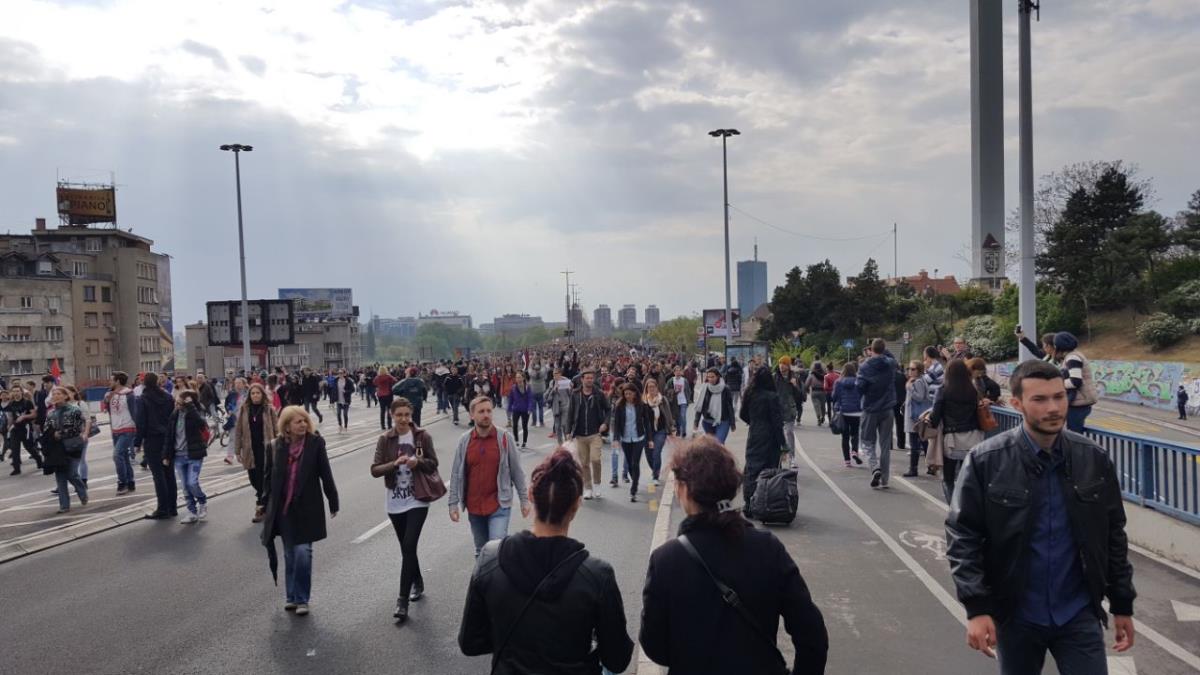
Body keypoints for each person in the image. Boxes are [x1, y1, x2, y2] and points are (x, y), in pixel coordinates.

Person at [945, 359, 1136, 674]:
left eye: (1059, 397)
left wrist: (1122, 604)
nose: (1054, 408)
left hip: (1078, 614)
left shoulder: (1093, 458)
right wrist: (977, 608)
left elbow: (1113, 534)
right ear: (1017, 403)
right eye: (1040, 399)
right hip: (1016, 615)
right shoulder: (986, 461)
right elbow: (962, 536)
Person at [639, 436, 828, 674]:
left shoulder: (666, 560)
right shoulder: (768, 549)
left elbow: (655, 646)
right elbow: (812, 634)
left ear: (685, 489)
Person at [458, 449, 634, 674]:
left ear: (531, 495)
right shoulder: (597, 575)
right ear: (577, 504)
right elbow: (617, 659)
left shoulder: (490, 559)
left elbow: (470, 643)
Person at [261, 405, 340, 616]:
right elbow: (268, 479)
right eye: (298, 421)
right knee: (289, 554)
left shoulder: (315, 444)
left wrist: (333, 500)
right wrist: (263, 503)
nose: (303, 424)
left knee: (303, 552)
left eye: (305, 420)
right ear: (286, 426)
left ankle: (302, 598)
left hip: (307, 507)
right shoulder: (275, 446)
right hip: (283, 509)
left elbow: (326, 473)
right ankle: (291, 597)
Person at [371, 398, 440, 622]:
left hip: (417, 497)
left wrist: (417, 463)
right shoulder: (385, 439)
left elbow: (433, 463)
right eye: (399, 415)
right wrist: (395, 463)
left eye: (406, 415)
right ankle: (418, 581)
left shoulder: (422, 436)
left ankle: (402, 601)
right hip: (395, 501)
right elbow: (375, 470)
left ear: (411, 415)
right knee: (406, 548)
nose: (403, 419)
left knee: (409, 544)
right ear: (392, 415)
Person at [448, 396, 530, 557]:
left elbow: (517, 472)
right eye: (481, 411)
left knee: (496, 551)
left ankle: (499, 582)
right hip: (474, 506)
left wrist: (524, 500)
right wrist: (453, 503)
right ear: (472, 415)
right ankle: (482, 582)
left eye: (489, 411)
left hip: (499, 504)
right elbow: (456, 473)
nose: (486, 415)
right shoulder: (465, 441)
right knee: (481, 552)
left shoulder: (505, 438)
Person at [929, 360, 982, 505]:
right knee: (967, 476)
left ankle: (954, 507)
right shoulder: (972, 390)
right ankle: (967, 505)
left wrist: (930, 421)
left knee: (948, 478)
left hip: (952, 438)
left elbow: (935, 416)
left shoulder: (943, 389)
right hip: (973, 437)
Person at [740, 365, 788, 518]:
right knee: (769, 469)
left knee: (751, 469)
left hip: (754, 434)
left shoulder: (749, 393)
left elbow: (742, 414)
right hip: (770, 437)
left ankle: (748, 503)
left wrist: (753, 422)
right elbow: (777, 422)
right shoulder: (772, 396)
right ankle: (765, 502)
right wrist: (783, 445)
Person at [135, 373, 178, 519]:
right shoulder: (167, 397)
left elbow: (141, 421)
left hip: (152, 438)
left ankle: (162, 508)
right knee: (169, 473)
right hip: (168, 437)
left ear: (145, 383)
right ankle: (172, 507)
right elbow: (174, 417)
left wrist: (137, 442)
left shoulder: (144, 398)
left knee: (158, 475)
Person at [40, 386, 88, 513]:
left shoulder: (74, 410)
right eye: (53, 394)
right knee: (60, 477)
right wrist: (52, 435)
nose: (55, 396)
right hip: (58, 449)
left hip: (73, 446)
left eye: (58, 394)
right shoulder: (51, 413)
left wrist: (59, 433)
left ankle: (82, 492)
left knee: (72, 474)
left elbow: (77, 428)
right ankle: (64, 505)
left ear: (65, 396)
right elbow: (45, 430)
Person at [856, 338, 897, 489]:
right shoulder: (890, 364)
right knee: (885, 444)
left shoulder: (864, 366)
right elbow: (892, 358)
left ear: (871, 350)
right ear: (884, 349)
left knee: (867, 442)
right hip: (887, 408)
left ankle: (874, 468)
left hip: (870, 408)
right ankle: (885, 479)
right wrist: (883, 350)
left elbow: (859, 387)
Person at [236, 383, 278, 523]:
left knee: (263, 479)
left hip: (266, 450)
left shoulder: (269, 409)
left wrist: (280, 447)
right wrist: (237, 451)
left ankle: (261, 507)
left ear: (262, 394)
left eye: (258, 393)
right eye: (253, 393)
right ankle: (268, 501)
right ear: (249, 395)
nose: (255, 395)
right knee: (254, 479)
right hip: (250, 450)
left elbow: (277, 429)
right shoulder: (244, 409)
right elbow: (238, 431)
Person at [566, 370, 611, 500]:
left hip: (595, 433)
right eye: (587, 378)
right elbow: (570, 413)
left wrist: (605, 423)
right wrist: (568, 431)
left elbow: (608, 409)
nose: (589, 380)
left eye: (591, 378)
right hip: (580, 435)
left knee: (595, 459)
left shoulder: (599, 394)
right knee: (584, 463)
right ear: (582, 380)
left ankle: (597, 485)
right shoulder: (575, 394)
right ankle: (588, 488)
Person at [168, 390, 209, 524]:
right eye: (176, 402)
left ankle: (202, 501)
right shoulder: (175, 414)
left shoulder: (195, 411)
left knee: (192, 482)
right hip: (179, 455)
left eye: (180, 402)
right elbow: (169, 436)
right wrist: (166, 454)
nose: (177, 405)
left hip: (194, 454)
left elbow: (201, 423)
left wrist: (191, 407)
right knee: (185, 486)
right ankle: (192, 512)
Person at [610, 384, 653, 502]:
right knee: (629, 465)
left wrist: (650, 439)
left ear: (635, 393)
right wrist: (615, 439)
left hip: (638, 438)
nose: (628, 396)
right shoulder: (619, 406)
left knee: (635, 463)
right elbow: (617, 424)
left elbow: (647, 423)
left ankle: (633, 490)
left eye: (630, 393)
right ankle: (635, 479)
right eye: (625, 394)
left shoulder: (641, 405)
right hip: (625, 439)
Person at [1053, 332, 1098, 433]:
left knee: (1074, 435)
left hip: (1079, 404)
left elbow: (1075, 381)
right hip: (1078, 402)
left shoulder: (1072, 358)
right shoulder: (1073, 355)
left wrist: (1056, 385)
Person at [103, 372, 138, 495]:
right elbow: (109, 411)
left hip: (128, 428)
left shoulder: (129, 394)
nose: (109, 382)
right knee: (123, 457)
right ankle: (130, 482)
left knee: (117, 455)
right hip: (115, 429)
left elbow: (134, 412)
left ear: (118, 381)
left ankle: (122, 482)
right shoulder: (110, 394)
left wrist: (138, 430)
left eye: (112, 380)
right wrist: (107, 400)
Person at [902, 361, 933, 478]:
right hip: (917, 415)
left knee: (915, 443)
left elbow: (919, 397)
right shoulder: (917, 380)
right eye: (909, 368)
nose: (910, 371)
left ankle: (913, 469)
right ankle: (931, 465)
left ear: (919, 370)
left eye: (913, 369)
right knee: (923, 441)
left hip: (915, 417)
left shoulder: (918, 381)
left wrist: (909, 388)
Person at [642, 378, 675, 487]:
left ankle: (655, 476)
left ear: (657, 387)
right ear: (646, 389)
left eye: (653, 387)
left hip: (660, 430)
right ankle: (654, 469)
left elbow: (668, 414)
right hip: (647, 432)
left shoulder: (662, 400)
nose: (651, 389)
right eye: (649, 387)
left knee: (656, 452)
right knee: (649, 454)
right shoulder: (643, 402)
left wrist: (671, 427)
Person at [693, 368, 735, 443]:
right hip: (707, 421)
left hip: (723, 421)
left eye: (713, 377)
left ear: (718, 376)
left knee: (719, 443)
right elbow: (700, 406)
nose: (710, 379)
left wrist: (732, 423)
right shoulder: (704, 388)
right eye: (709, 377)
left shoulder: (725, 389)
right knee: (712, 446)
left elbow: (730, 407)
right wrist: (696, 422)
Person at [832, 362, 862, 467]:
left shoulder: (838, 382)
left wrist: (836, 406)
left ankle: (847, 460)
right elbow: (862, 395)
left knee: (845, 436)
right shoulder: (858, 382)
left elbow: (834, 396)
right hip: (856, 412)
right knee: (855, 433)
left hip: (843, 412)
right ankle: (854, 451)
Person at [775, 356, 802, 469]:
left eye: (784, 364)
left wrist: (795, 385)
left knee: (789, 432)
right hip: (777, 410)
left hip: (790, 410)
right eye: (780, 364)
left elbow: (801, 396)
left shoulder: (794, 378)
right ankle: (779, 459)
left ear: (788, 365)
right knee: (778, 435)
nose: (782, 366)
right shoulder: (774, 377)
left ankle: (792, 458)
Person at [507, 371, 535, 449]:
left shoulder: (528, 387)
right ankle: (516, 441)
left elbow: (530, 399)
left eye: (519, 377)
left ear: (523, 378)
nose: (518, 379)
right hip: (516, 409)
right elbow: (511, 399)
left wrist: (529, 409)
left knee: (524, 426)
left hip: (525, 410)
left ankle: (524, 442)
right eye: (516, 377)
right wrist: (509, 408)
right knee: (515, 425)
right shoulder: (513, 388)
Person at [669, 365, 692, 437]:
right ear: (674, 372)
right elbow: (666, 390)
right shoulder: (671, 380)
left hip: (683, 401)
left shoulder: (684, 380)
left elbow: (688, 390)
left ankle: (684, 431)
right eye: (676, 371)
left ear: (681, 372)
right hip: (675, 402)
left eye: (679, 371)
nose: (678, 372)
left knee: (683, 416)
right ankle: (678, 431)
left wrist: (688, 400)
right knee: (677, 417)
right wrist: (673, 391)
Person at [806, 362, 828, 427]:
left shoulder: (812, 375)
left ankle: (819, 417)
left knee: (816, 405)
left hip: (814, 392)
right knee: (822, 405)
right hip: (823, 392)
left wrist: (806, 389)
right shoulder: (824, 375)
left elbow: (807, 384)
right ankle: (823, 417)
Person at [374, 366, 397, 430]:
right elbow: (395, 380)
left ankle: (382, 426)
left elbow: (374, 383)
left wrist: (379, 386)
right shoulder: (388, 376)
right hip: (388, 394)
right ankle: (389, 425)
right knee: (389, 410)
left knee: (382, 411)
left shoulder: (377, 377)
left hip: (380, 395)